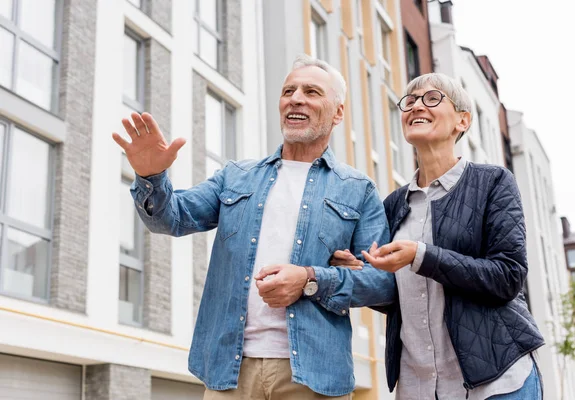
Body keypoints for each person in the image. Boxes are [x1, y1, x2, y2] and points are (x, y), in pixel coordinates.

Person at [112, 54, 396, 399]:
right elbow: (173, 217)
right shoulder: (237, 176)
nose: (296, 98)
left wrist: (310, 279)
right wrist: (150, 176)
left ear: (337, 112)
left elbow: (383, 283)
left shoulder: (358, 189)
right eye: (288, 90)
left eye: (312, 91)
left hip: (313, 374)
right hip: (229, 372)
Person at [332, 73, 544, 399]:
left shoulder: (493, 183)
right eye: (410, 100)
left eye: (431, 98)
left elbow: (508, 276)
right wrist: (360, 274)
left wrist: (422, 255)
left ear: (462, 120)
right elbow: (401, 298)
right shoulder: (393, 205)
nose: (417, 105)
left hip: (497, 381)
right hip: (419, 386)